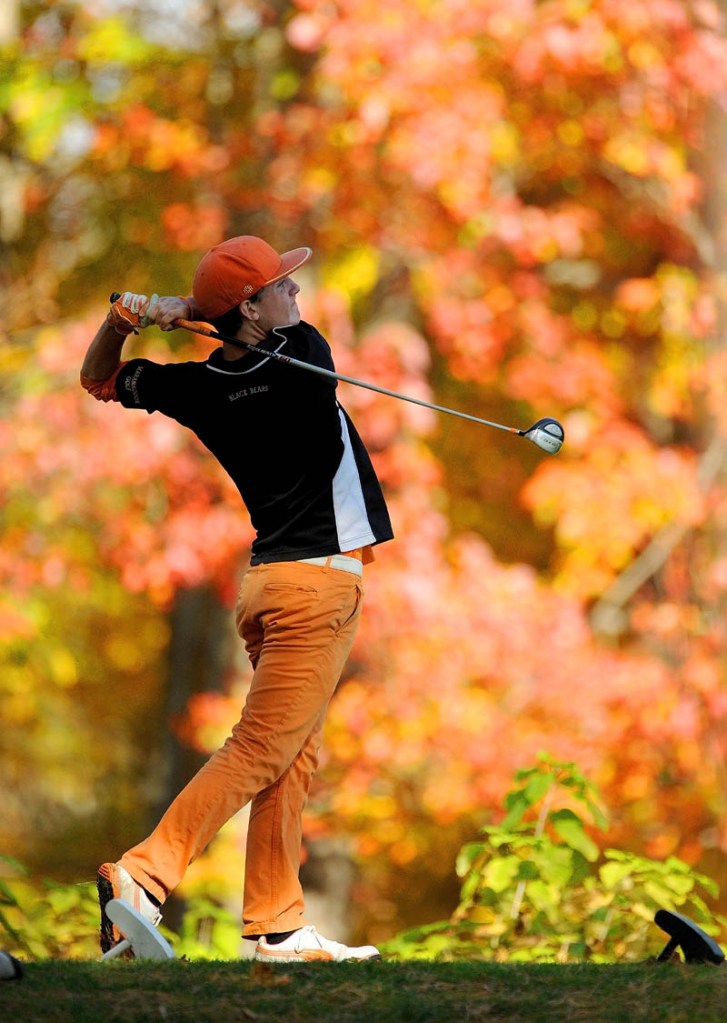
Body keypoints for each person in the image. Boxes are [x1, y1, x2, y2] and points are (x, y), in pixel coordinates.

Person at [80, 235, 394, 963]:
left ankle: (276, 927)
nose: (297, 295)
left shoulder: (199, 387)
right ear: (253, 307)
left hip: (269, 587)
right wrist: (189, 308)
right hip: (317, 585)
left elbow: (101, 380)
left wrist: (131, 317)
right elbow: (268, 331)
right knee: (261, 748)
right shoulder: (304, 358)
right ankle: (143, 874)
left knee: (291, 753)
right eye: (281, 288)